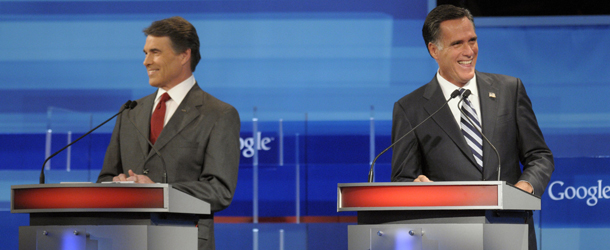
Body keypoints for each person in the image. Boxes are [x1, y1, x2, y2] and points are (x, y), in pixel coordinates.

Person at [391, 5, 554, 250]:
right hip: (447, 237)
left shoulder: (509, 90)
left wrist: (525, 188)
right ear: (434, 50)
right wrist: (416, 189)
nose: (469, 51)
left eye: (473, 40)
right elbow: (403, 179)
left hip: (511, 232)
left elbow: (540, 156)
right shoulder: (411, 109)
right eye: (457, 43)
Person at [97, 16, 240, 250]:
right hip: (126, 240)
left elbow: (219, 191)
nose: (146, 61)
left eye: (155, 52)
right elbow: (105, 178)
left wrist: (158, 191)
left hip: (183, 239)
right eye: (145, 53)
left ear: (184, 55)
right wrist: (117, 183)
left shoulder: (219, 114)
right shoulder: (130, 112)